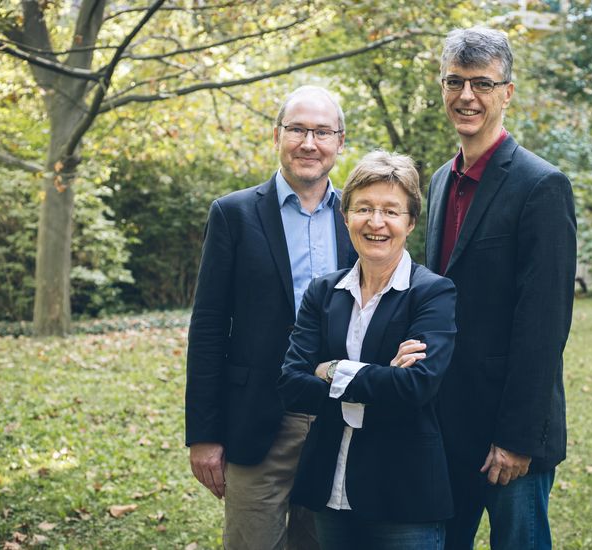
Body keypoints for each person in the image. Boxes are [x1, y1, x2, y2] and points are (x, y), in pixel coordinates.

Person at [425, 27, 577, 549]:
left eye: (482, 84)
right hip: (447, 425)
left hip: (511, 436)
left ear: (507, 92)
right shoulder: (440, 182)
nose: (467, 96)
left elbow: (544, 326)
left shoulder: (541, 185)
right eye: (455, 81)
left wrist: (515, 439)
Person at [185, 85, 357, 550]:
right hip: (256, 420)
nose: (309, 142)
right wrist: (203, 435)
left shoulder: (358, 218)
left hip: (334, 420)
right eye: (298, 129)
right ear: (276, 134)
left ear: (340, 142)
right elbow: (208, 328)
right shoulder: (234, 214)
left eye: (322, 131)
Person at [278, 150, 457, 550]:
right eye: (364, 208)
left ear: (410, 222)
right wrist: (381, 376)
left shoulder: (432, 293)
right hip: (331, 487)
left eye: (391, 211)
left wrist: (331, 369)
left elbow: (416, 387)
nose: (376, 222)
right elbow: (291, 384)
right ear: (346, 217)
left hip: (403, 491)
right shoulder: (323, 292)